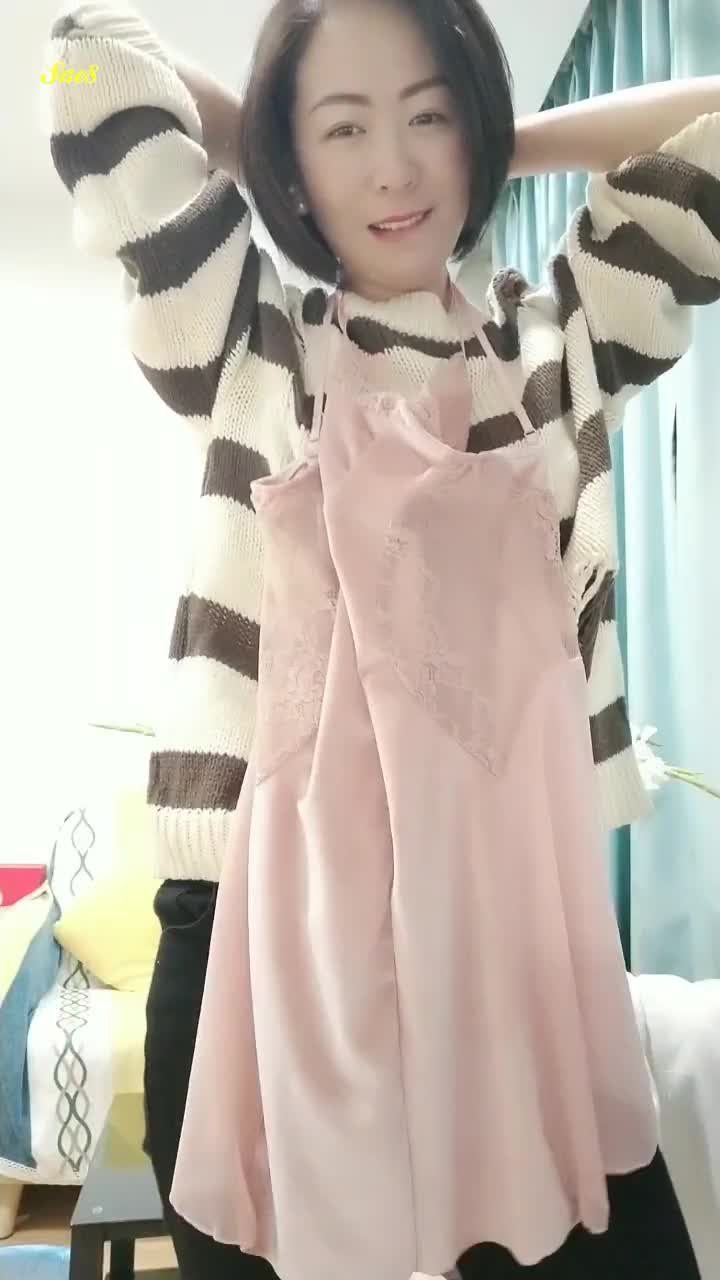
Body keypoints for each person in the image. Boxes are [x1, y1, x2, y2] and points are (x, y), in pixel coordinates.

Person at [45, 1, 720, 1276]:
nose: (396, 169)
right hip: (246, 927)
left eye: (429, 118)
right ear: (294, 160)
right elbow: (86, 56)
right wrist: (280, 147)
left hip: (506, 922)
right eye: (347, 129)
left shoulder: (556, 348)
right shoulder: (246, 344)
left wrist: (499, 140)